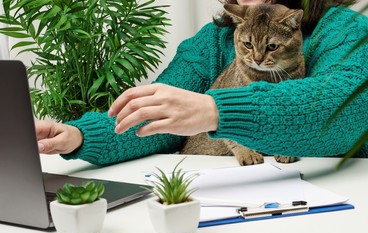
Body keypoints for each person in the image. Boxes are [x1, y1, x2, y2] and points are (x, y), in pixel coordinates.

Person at [36, 0, 368, 166]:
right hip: (232, 189)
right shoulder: (213, 40)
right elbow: (159, 114)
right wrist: (80, 135)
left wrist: (215, 109)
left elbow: (347, 107)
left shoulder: (343, 28)